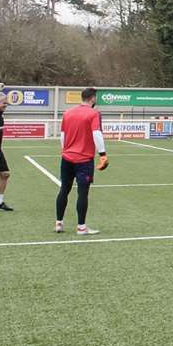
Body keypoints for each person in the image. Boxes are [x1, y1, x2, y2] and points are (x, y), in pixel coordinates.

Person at [55, 86, 107, 235]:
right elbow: (97, 134)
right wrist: (103, 154)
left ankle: (59, 223)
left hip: (67, 158)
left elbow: (62, 136)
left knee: (64, 189)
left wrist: (64, 150)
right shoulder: (94, 113)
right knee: (82, 193)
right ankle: (81, 227)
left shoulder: (68, 113)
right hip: (84, 160)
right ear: (92, 98)